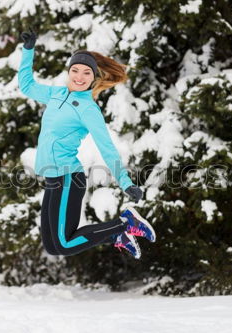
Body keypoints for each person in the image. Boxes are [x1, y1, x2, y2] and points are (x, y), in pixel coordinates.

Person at [18, 28, 156, 260]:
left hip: (68, 176)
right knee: (53, 246)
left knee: (63, 243)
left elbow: (106, 147)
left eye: (86, 73)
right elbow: (26, 86)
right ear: (69, 72)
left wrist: (125, 182)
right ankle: (117, 235)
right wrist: (28, 50)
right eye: (75, 71)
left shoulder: (88, 109)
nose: (79, 77)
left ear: (93, 78)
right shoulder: (55, 94)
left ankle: (124, 224)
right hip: (53, 178)